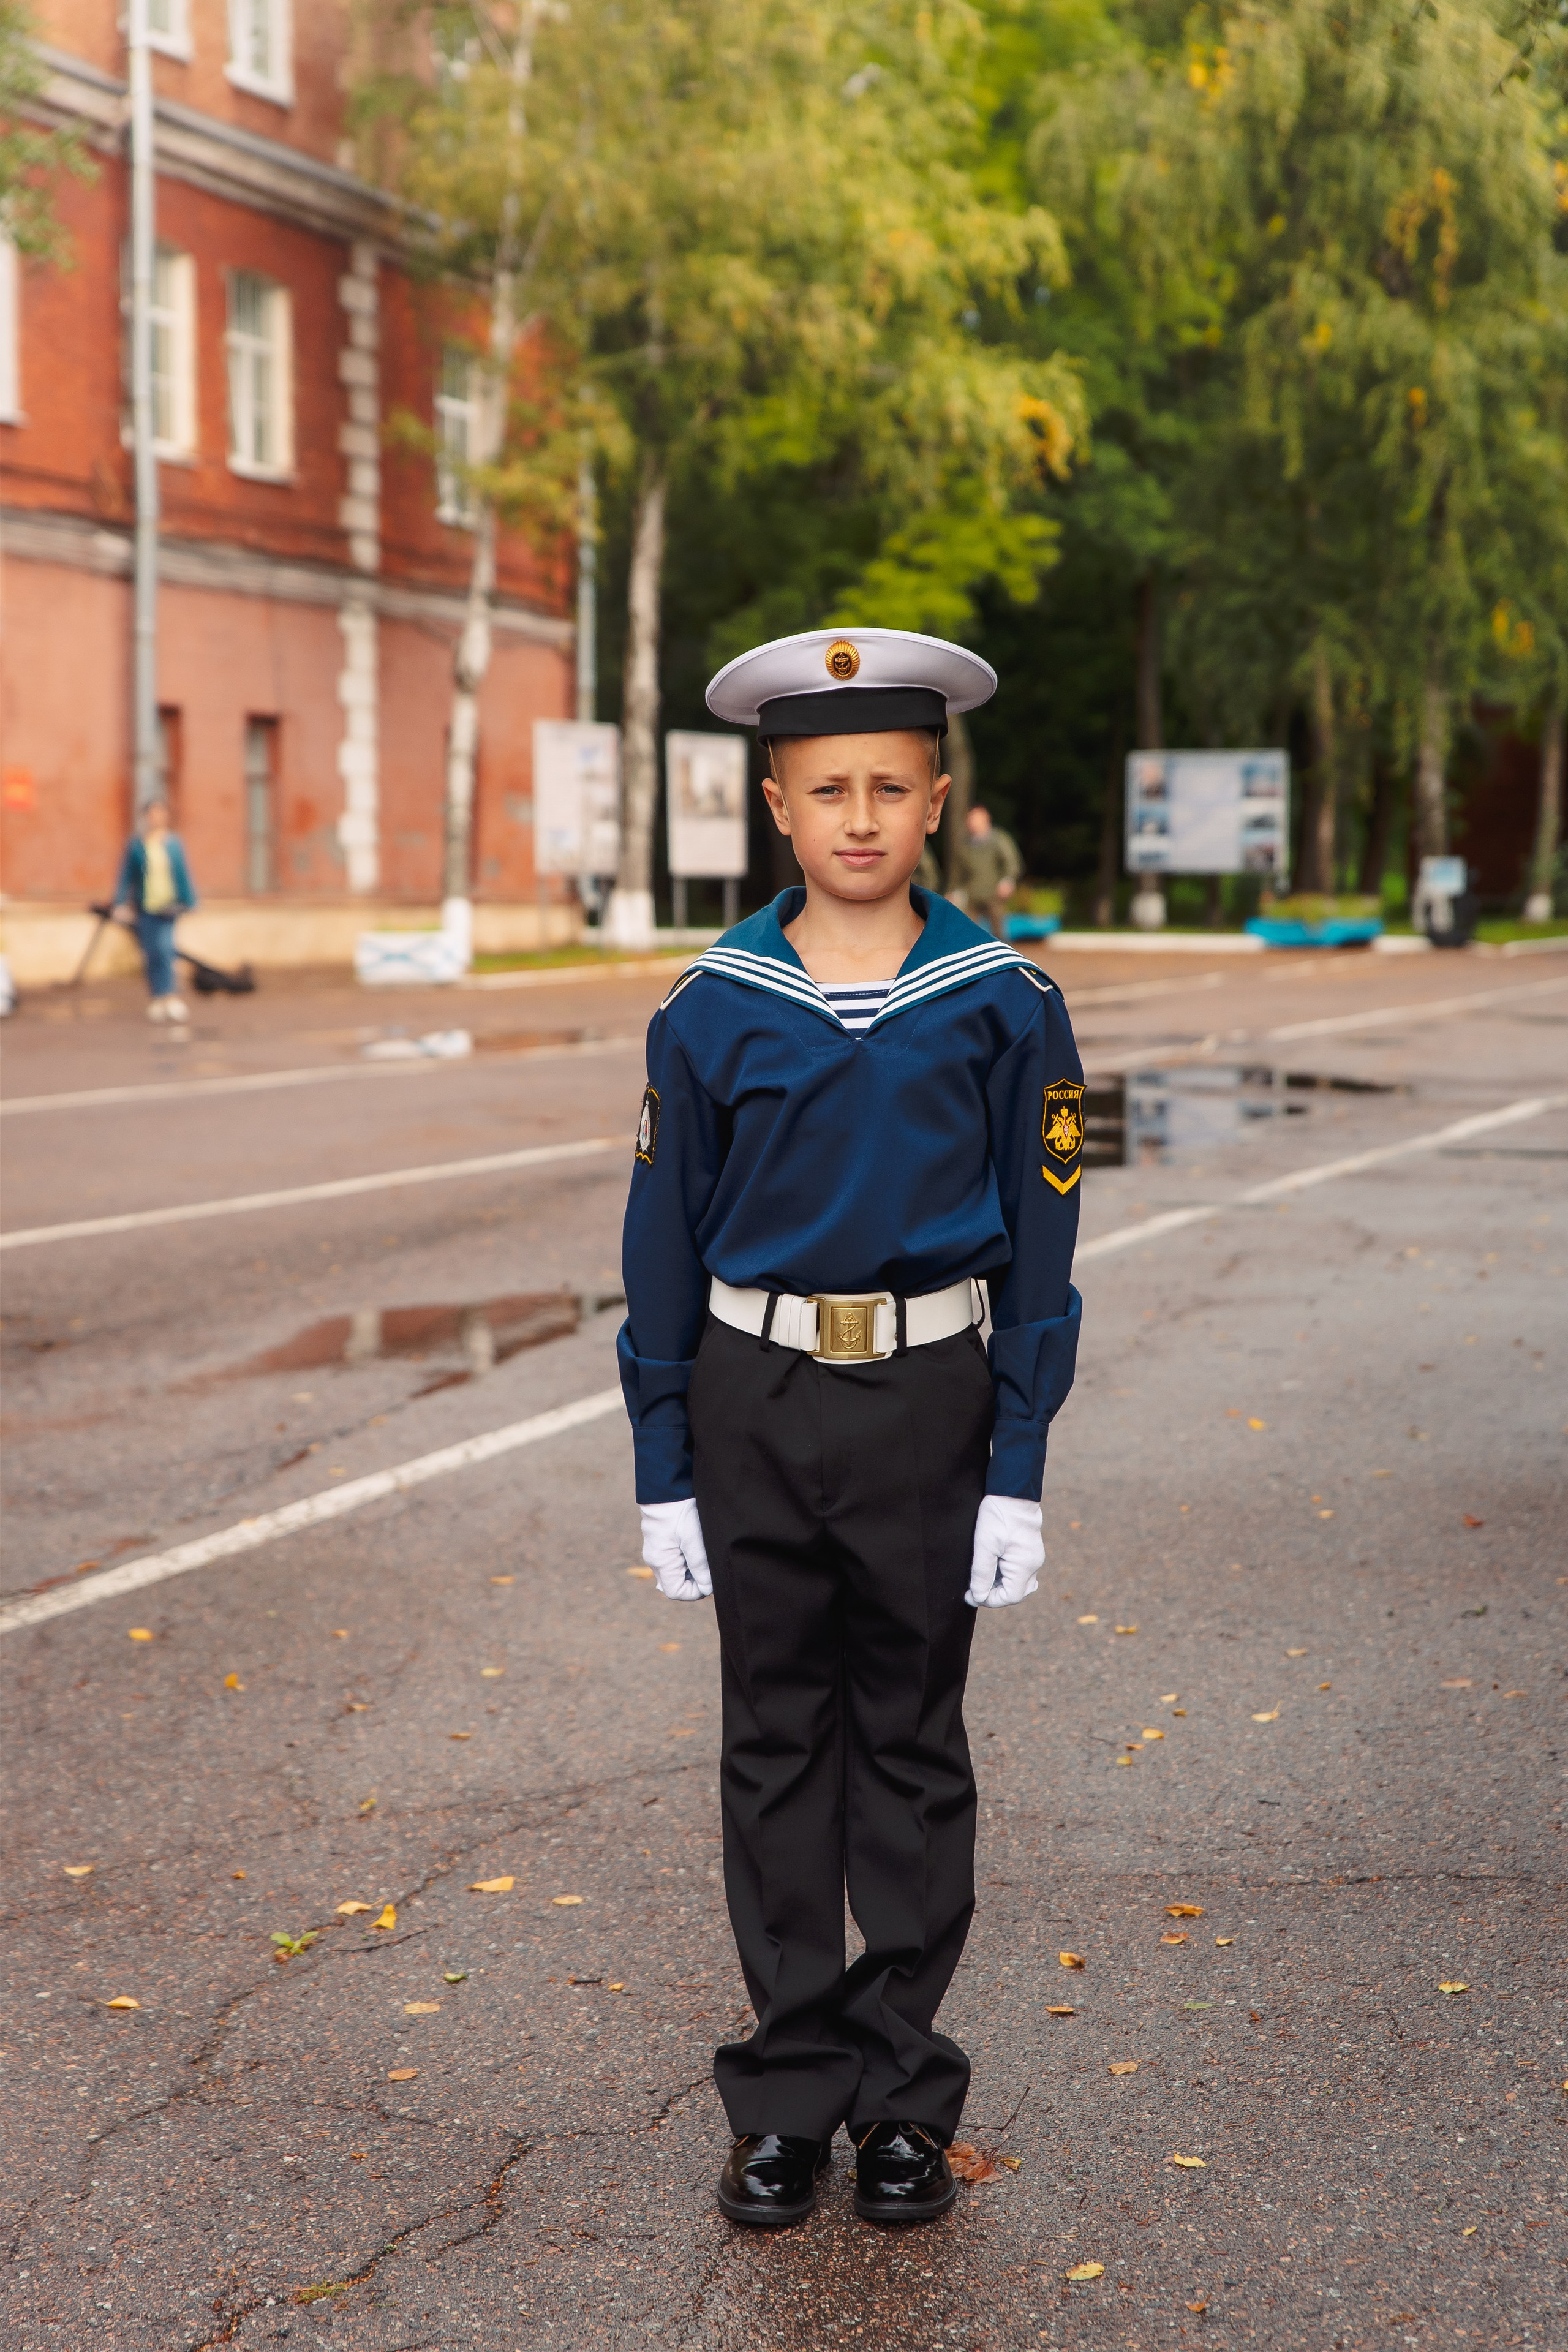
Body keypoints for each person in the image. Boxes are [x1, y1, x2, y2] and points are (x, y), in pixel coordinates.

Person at [619, 627, 1083, 2231]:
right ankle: (787, 2099)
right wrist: (662, 1464)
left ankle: (900, 2099)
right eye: (829, 789)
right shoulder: (711, 1007)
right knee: (773, 1751)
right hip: (755, 1401)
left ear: (939, 799)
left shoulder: (1004, 1002)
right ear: (778, 806)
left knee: (907, 1748)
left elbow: (1043, 1254)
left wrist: (1016, 1467)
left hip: (928, 1403)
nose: (862, 816)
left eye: (891, 784)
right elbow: (662, 1244)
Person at [113, 799, 197, 1023]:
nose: (156, 818)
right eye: (152, 814)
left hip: (169, 906)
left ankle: (171, 996)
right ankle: (157, 997)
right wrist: (120, 902)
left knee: (167, 950)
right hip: (146, 907)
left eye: (160, 813)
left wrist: (190, 901)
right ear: (146, 817)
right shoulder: (137, 845)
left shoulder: (174, 844)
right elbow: (126, 876)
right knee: (151, 953)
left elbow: (183, 874)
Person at [951, 802, 1022, 938]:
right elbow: (958, 874)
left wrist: (1008, 880)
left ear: (986, 818)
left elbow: (1011, 862)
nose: (973, 823)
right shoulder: (965, 845)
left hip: (994, 892)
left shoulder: (998, 839)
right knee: (967, 930)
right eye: (970, 819)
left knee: (999, 933)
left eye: (976, 818)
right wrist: (954, 891)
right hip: (972, 893)